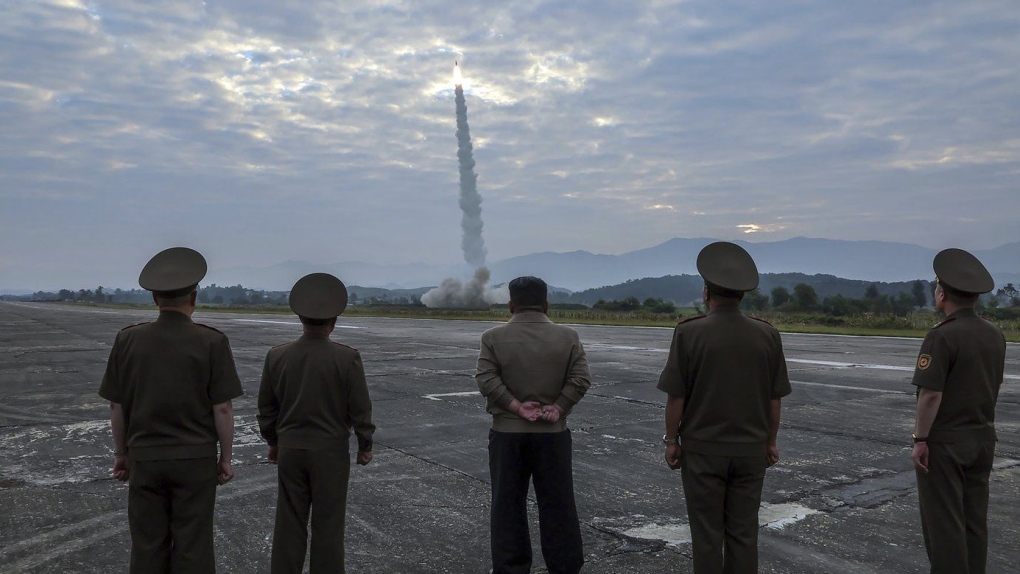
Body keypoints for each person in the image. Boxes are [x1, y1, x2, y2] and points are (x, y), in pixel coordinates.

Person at [99, 246, 243, 573]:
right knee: (194, 546)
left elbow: (116, 406)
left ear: (155, 300)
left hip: (145, 458)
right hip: (195, 461)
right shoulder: (211, 342)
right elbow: (222, 409)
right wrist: (225, 459)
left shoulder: (128, 340)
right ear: (194, 297)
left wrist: (121, 453)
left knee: (148, 546)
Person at [657, 241, 791, 574]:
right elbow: (774, 399)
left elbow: (676, 397)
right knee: (744, 534)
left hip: (703, 451)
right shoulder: (767, 335)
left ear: (706, 292)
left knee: (706, 536)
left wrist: (671, 441)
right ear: (743, 295)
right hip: (750, 450)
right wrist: (770, 441)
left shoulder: (689, 333)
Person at [257, 272, 375, 574]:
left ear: (300, 318)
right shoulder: (347, 359)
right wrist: (365, 444)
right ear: (333, 321)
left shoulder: (277, 356)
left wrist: (273, 441)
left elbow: (266, 408)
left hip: (291, 450)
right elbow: (360, 407)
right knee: (329, 526)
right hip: (331, 452)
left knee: (289, 522)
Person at [475, 276, 592, 574]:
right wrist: (559, 406)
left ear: (511, 305)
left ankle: (512, 567)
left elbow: (487, 380)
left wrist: (515, 407)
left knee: (507, 505)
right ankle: (564, 566)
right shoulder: (569, 337)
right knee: (558, 504)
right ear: (547, 305)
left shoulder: (492, 337)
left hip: (507, 434)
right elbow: (580, 379)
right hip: (552, 435)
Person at [911, 248, 1005, 574]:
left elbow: (930, 395)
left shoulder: (942, 335)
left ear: (942, 293)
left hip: (947, 443)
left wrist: (920, 439)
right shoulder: (994, 334)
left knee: (944, 524)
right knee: (974, 521)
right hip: (982, 438)